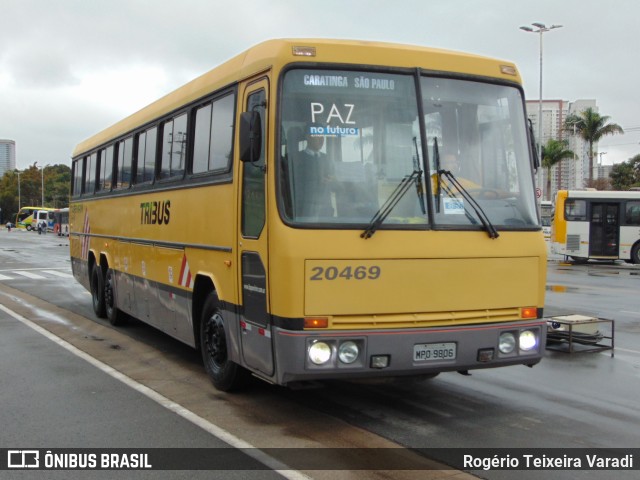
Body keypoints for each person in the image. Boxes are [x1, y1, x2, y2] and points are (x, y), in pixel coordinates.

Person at [293, 128, 335, 218]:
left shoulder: (327, 158)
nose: (321, 140)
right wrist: (317, 181)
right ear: (308, 137)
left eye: (322, 136)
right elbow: (296, 182)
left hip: (325, 210)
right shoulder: (297, 158)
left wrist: (332, 180)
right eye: (317, 136)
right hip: (304, 208)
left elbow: (334, 182)